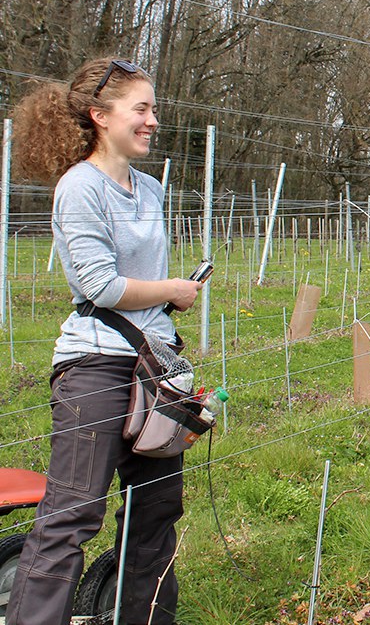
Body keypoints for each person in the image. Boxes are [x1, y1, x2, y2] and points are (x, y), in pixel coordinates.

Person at [6, 58, 201, 625]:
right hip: (96, 367)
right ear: (100, 116)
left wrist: (166, 302)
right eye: (141, 109)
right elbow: (98, 284)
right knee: (73, 513)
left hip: (155, 366)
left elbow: (137, 284)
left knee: (156, 511)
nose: (153, 120)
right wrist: (172, 288)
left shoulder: (149, 188)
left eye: (154, 109)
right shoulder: (79, 187)